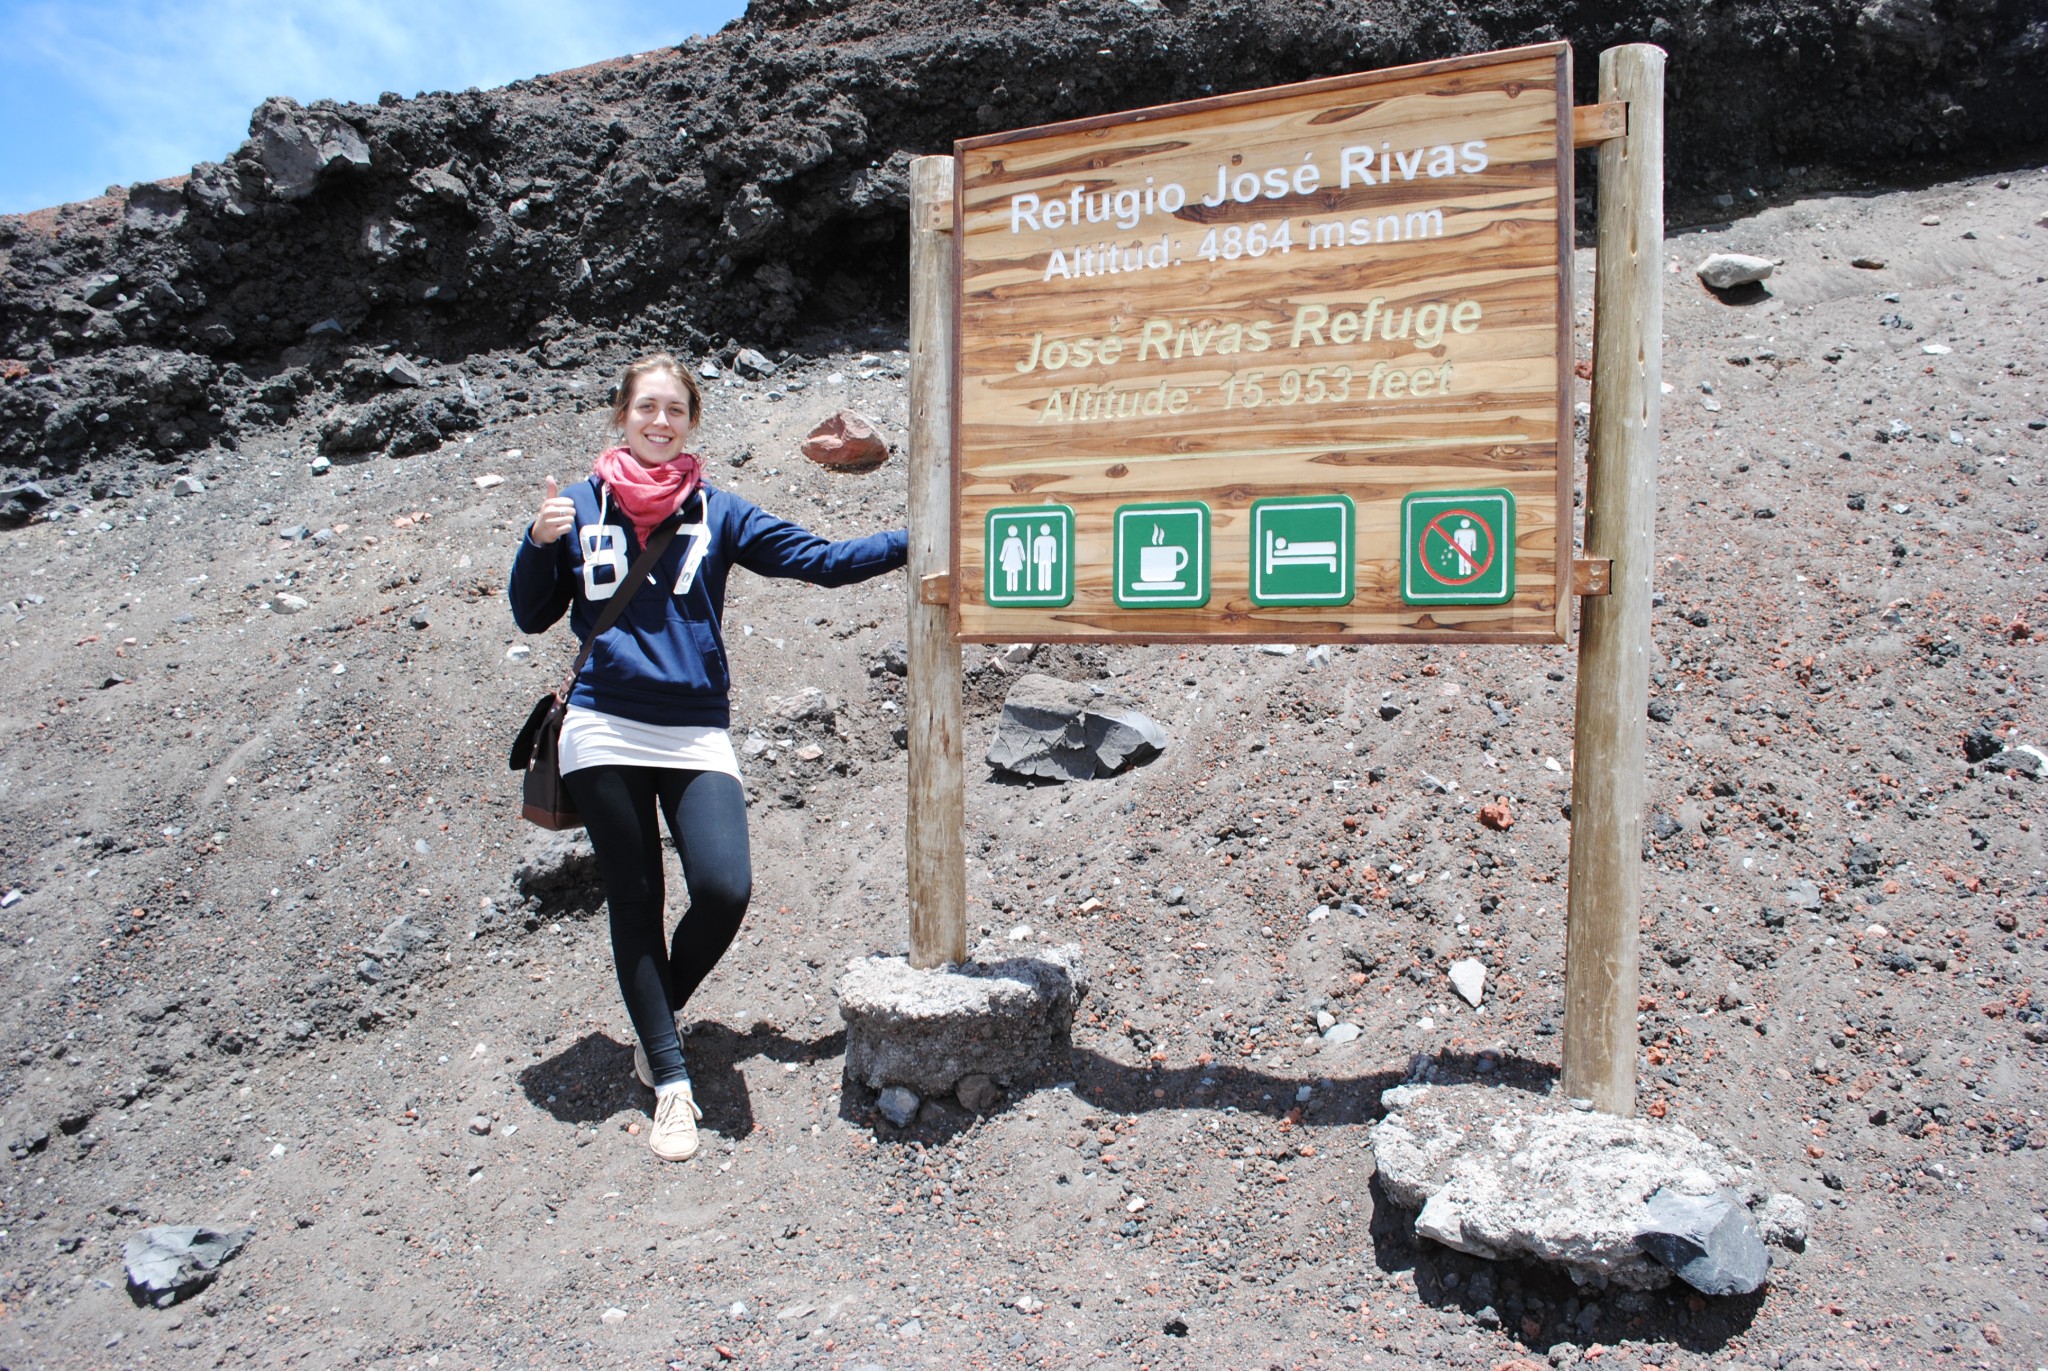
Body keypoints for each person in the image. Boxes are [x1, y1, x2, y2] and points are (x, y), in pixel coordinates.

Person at [507, 353, 907, 1161]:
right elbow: (531, 612)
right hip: (604, 727)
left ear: (691, 421)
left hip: (693, 729)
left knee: (724, 888)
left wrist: (919, 537)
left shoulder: (718, 512)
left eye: (675, 410)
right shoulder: (576, 505)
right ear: (622, 413)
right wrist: (535, 541)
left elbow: (822, 563)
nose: (660, 421)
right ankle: (671, 1081)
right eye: (646, 407)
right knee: (637, 897)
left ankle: (651, 1019)